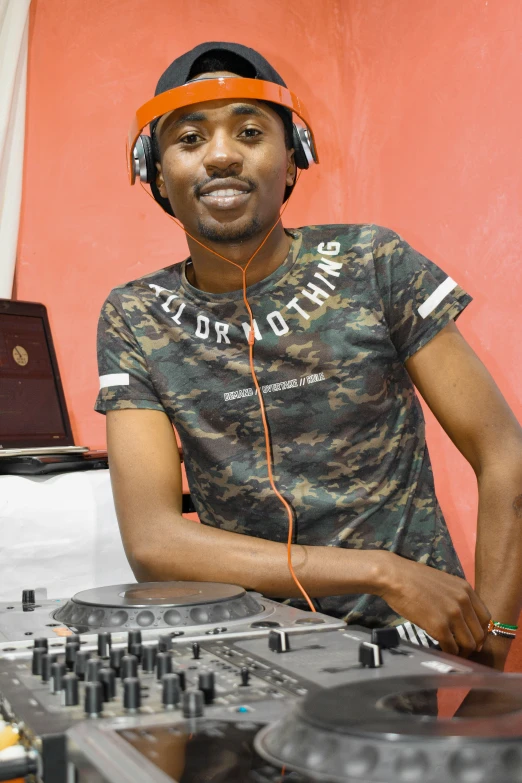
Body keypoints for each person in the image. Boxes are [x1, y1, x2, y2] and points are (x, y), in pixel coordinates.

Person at [96, 42, 522, 670]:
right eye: (189, 139)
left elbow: (504, 452)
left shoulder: (373, 261)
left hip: (413, 649)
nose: (220, 155)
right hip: (250, 649)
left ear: (293, 160)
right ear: (155, 174)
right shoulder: (133, 314)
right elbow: (154, 540)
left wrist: (499, 638)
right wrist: (382, 571)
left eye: (249, 131)